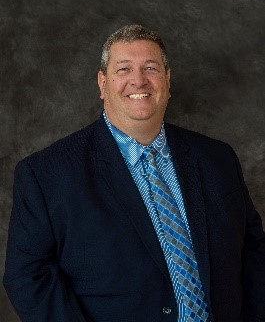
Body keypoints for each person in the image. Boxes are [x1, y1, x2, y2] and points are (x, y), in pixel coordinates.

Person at [3, 25, 265, 322]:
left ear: (167, 80)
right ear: (103, 83)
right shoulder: (47, 173)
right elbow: (27, 277)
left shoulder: (217, 158)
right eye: (124, 69)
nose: (138, 80)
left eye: (150, 68)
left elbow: (254, 251)